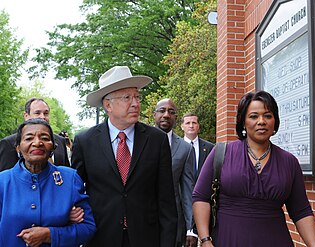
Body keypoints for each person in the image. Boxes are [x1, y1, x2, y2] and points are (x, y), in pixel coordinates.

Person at [192, 91, 315, 247]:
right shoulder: (221, 153)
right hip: (227, 239)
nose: (261, 121)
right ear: (243, 121)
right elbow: (201, 197)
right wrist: (205, 240)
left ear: (275, 121)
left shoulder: (289, 162)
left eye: (267, 116)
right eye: (253, 116)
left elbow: (301, 211)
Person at [71, 66, 178, 247]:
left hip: (146, 238)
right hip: (100, 238)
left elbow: (166, 200)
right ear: (108, 105)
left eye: (137, 97)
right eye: (127, 98)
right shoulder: (85, 141)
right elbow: (75, 192)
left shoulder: (156, 140)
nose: (135, 103)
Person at [0, 118, 96, 246]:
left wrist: (50, 235)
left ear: (53, 146)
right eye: (29, 138)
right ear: (18, 148)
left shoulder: (69, 178)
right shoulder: (3, 182)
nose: (37, 143)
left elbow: (88, 228)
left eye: (44, 138)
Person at [153, 98, 195, 247]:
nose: (166, 115)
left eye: (171, 112)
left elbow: (187, 189)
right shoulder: (140, 141)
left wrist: (191, 228)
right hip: (142, 219)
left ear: (176, 118)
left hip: (173, 222)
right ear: (154, 115)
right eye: (162, 111)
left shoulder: (185, 149)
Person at [0, 97, 70, 171]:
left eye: (46, 113)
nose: (42, 117)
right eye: (37, 113)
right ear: (26, 116)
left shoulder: (60, 141)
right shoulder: (8, 143)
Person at [180, 112, 214, 246]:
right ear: (182, 126)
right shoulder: (175, 148)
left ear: (199, 126)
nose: (191, 125)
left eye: (194, 122)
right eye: (188, 123)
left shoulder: (210, 148)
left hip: (204, 204)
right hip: (182, 206)